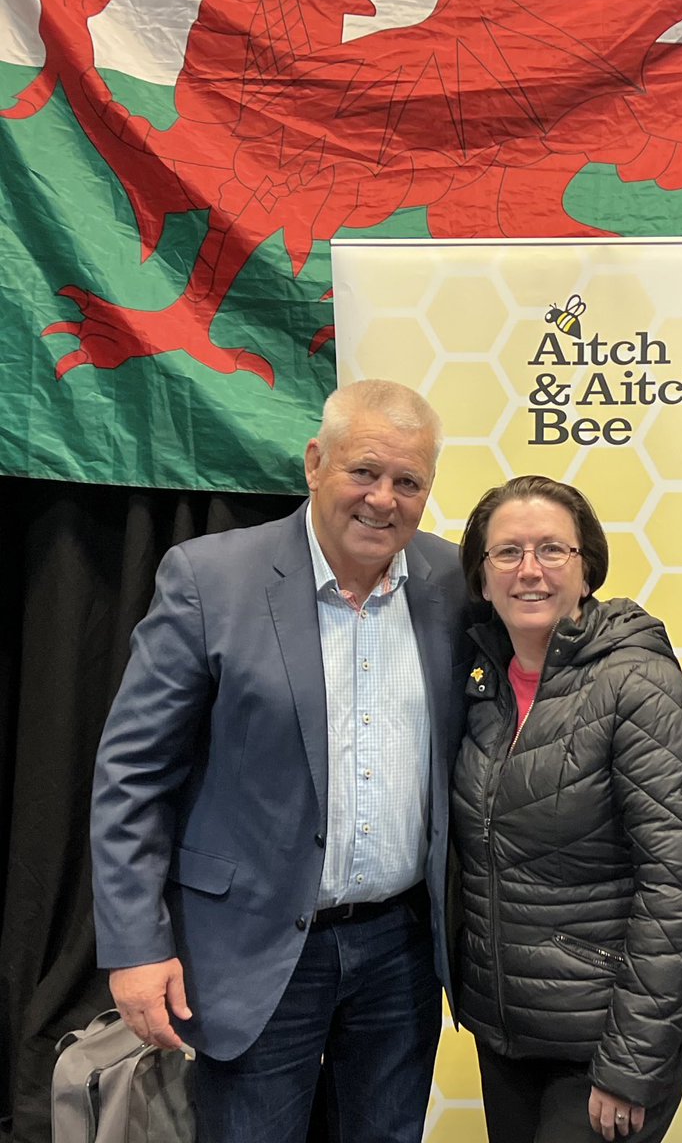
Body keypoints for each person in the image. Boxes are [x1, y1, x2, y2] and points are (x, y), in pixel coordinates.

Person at [90, 379, 477, 1143]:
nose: (382, 498)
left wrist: (645, 666)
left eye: (408, 482)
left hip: (401, 950)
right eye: (364, 471)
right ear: (313, 463)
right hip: (251, 949)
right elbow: (132, 777)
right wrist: (137, 946)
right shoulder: (209, 580)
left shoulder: (454, 583)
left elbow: (551, 636)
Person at [451, 475, 682, 1143]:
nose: (530, 570)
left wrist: (630, 1064)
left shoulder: (638, 685)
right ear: (481, 579)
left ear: (587, 569)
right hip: (510, 1034)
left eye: (553, 550)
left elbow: (677, 885)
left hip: (609, 1038)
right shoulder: (477, 683)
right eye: (507, 553)